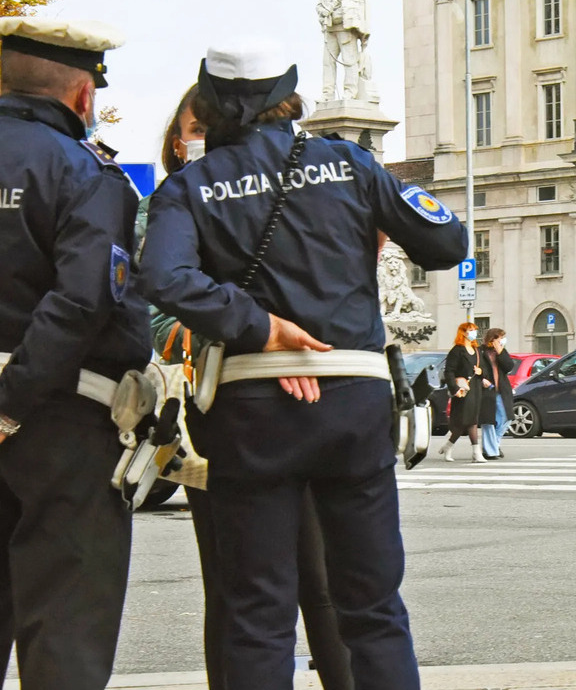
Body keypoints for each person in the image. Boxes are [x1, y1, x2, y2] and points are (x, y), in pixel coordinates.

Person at [138, 40, 467, 690]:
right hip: (354, 400)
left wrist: (256, 325)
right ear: (290, 99)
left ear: (211, 104)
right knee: (372, 607)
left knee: (257, 613)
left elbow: (162, 278)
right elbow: (446, 239)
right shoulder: (349, 164)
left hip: (249, 411)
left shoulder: (192, 188)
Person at [142, 85, 353, 690]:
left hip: (312, 400)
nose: (204, 140)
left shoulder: (288, 194)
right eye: (195, 130)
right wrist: (256, 335)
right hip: (219, 411)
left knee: (324, 578)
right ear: (177, 143)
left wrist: (296, 335)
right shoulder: (165, 207)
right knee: (237, 586)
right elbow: (156, 313)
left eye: (213, 128)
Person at [0, 18, 152, 689]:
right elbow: (83, 299)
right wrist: (10, 402)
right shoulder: (87, 173)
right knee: (65, 619)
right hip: (60, 418)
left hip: (33, 404)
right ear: (84, 96)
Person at [439, 322, 487, 463]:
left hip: (475, 389)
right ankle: (475, 452)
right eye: (471, 330)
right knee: (466, 421)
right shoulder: (457, 350)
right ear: (464, 332)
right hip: (462, 390)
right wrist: (454, 389)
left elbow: (484, 368)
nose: (474, 333)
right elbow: (449, 371)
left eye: (475, 330)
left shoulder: (477, 350)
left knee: (469, 420)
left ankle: (450, 447)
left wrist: (481, 372)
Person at [480, 328, 515, 459]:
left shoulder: (501, 352)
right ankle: (490, 451)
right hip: (486, 390)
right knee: (488, 421)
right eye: (500, 338)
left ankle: (493, 445)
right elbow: (475, 368)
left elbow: (509, 367)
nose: (502, 340)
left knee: (506, 417)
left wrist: (500, 351)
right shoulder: (481, 351)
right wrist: (481, 379)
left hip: (501, 390)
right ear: (492, 339)